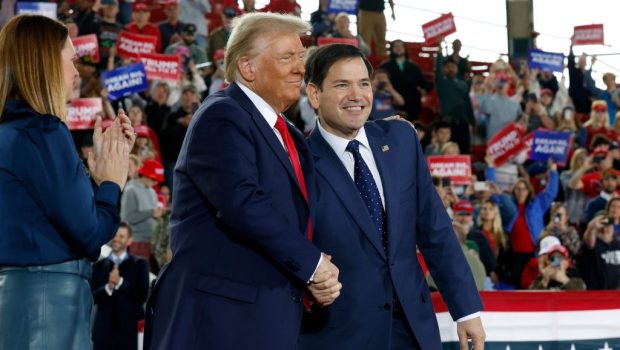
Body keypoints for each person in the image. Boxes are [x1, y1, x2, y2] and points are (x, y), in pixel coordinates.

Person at [144, 13, 341, 350]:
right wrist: (311, 265)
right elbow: (241, 202)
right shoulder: (222, 115)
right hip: (220, 320)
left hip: (267, 316)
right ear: (249, 68)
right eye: (287, 57)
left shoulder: (289, 135)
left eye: (301, 57)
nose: (300, 68)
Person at [299, 43, 484, 350]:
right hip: (338, 333)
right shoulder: (296, 161)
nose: (356, 95)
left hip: (412, 328)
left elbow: (435, 228)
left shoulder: (401, 139)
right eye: (342, 85)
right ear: (315, 95)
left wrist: (466, 309)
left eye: (363, 84)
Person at [0, 14, 134, 350]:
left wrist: (93, 177)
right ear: (44, 63)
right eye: (72, 60)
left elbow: (46, 215)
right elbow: (89, 234)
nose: (77, 72)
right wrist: (111, 182)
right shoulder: (42, 132)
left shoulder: (12, 132)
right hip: (46, 306)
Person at [91, 223, 150, 350]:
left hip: (129, 333)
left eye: (121, 236)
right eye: (115, 235)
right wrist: (109, 287)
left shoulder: (140, 264)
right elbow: (92, 296)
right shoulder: (98, 266)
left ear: (129, 241)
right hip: (103, 333)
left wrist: (120, 282)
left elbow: (142, 295)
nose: (116, 239)